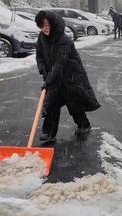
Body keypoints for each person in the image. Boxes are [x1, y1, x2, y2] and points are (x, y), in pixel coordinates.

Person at [35, 10, 100, 142]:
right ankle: (49, 133)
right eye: (42, 26)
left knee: (74, 103)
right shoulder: (41, 37)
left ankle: (84, 125)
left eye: (47, 25)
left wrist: (48, 82)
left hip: (71, 76)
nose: (45, 29)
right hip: (53, 77)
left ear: (53, 24)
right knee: (52, 104)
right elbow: (39, 56)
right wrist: (42, 69)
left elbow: (60, 64)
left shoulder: (64, 40)